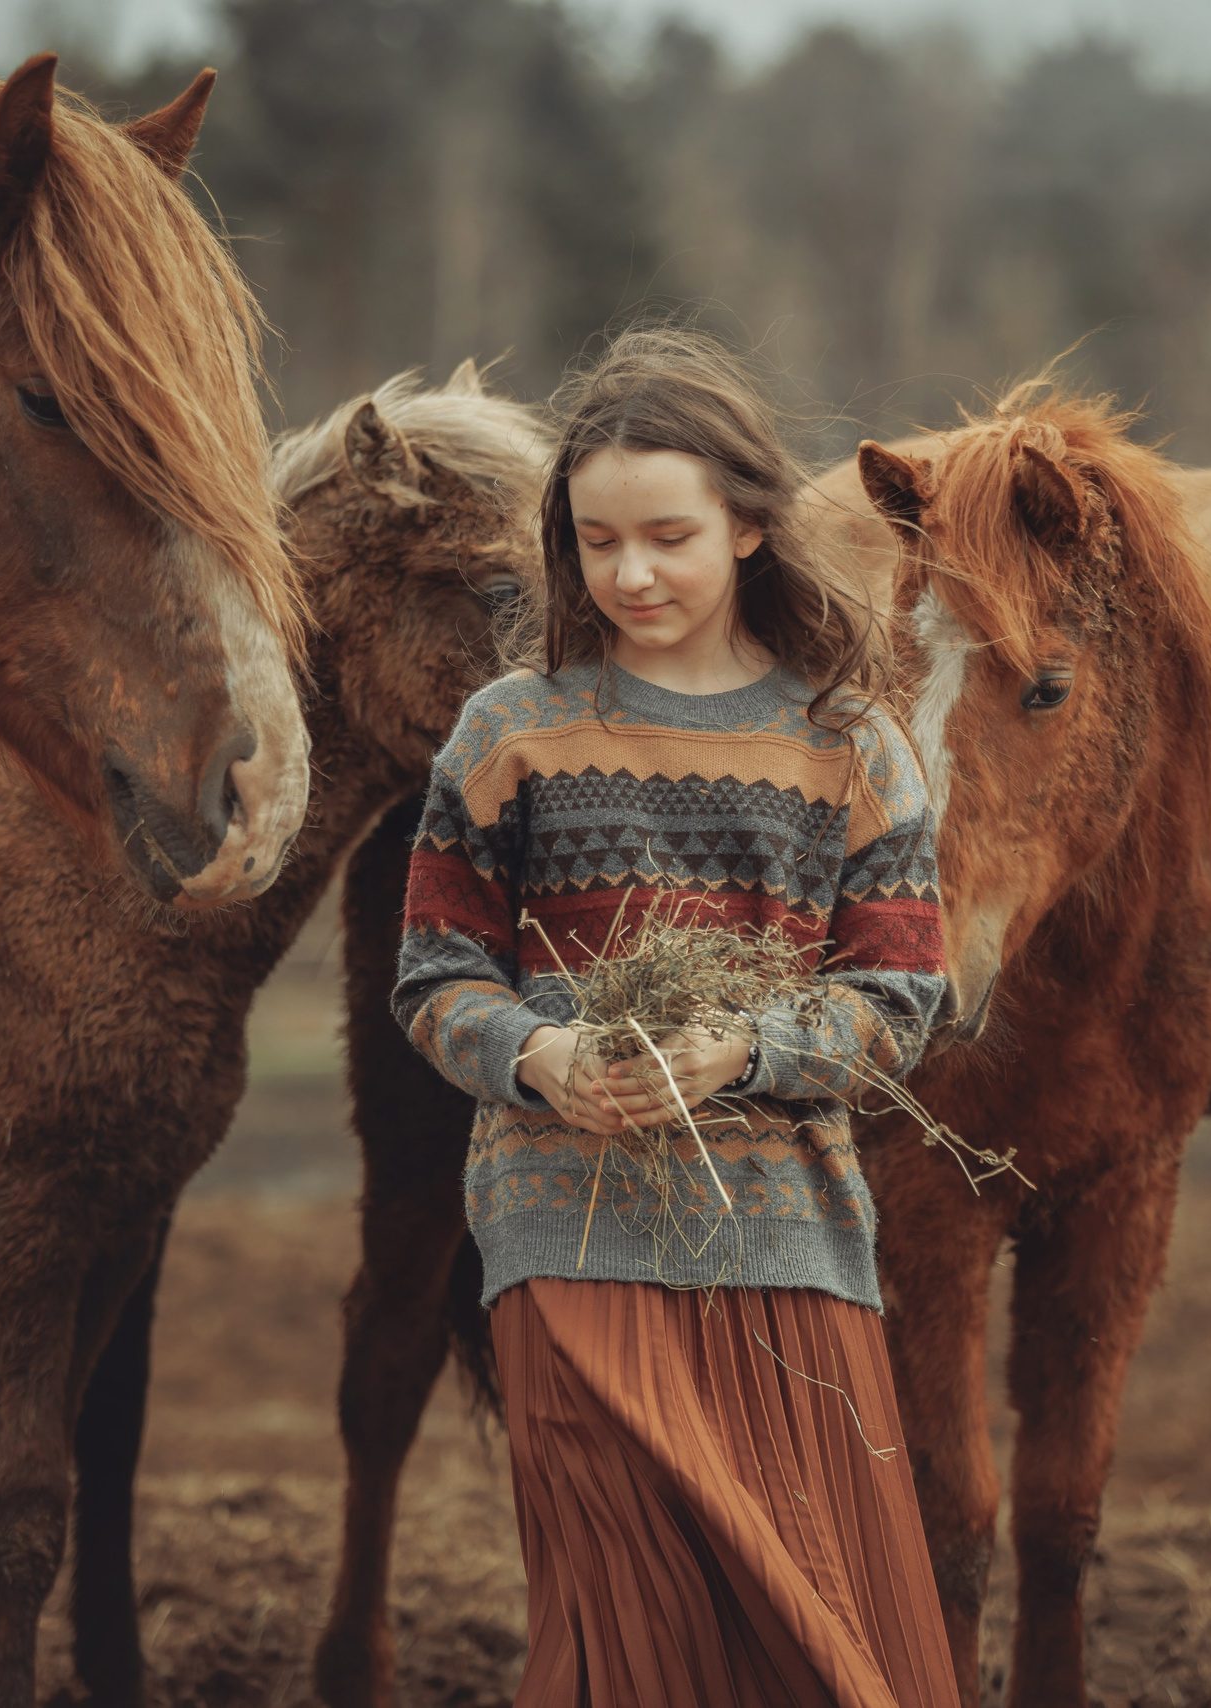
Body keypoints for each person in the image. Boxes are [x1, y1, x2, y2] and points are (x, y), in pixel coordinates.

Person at [393, 327, 959, 1707]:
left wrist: (750, 1051)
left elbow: (901, 1000)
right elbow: (433, 977)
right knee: (619, 1641)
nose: (630, 574)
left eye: (668, 538)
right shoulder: (508, 732)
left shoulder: (852, 747)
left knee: (821, 1647)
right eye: (598, 543)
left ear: (749, 527)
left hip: (787, 1248)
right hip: (560, 1231)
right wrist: (537, 1055)